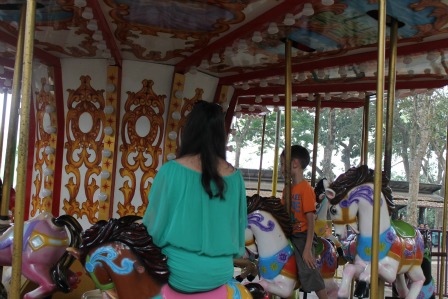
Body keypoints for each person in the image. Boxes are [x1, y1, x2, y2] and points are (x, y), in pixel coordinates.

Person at [142, 100, 248, 294]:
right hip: (222, 270)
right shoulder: (235, 177)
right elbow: (239, 224)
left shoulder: (170, 171)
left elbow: (153, 225)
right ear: (220, 135)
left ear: (189, 130)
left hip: (180, 271)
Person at [280, 145, 328, 299]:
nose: (281, 168)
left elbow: (310, 221)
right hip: (289, 232)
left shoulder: (305, 189)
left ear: (294, 164)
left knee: (309, 267)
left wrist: (307, 249)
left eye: (282, 164)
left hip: (302, 235)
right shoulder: (288, 189)